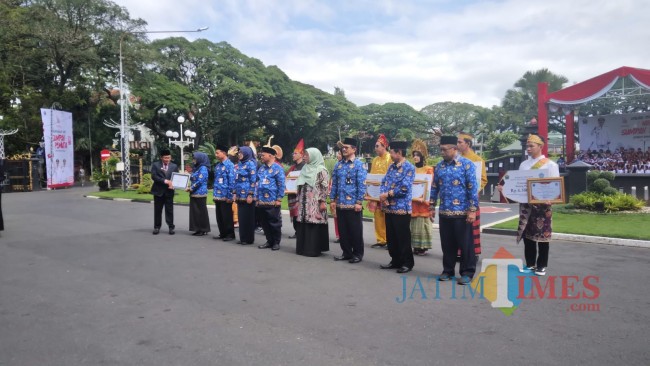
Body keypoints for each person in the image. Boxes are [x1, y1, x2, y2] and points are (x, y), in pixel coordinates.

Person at [430, 136, 479, 286]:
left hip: (462, 213)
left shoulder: (467, 165)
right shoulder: (439, 166)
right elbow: (434, 187)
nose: (442, 153)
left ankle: (467, 272)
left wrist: (472, 210)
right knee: (447, 244)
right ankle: (448, 270)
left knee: (465, 244)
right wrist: (431, 206)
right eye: (441, 150)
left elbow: (472, 189)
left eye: (445, 150)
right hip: (444, 211)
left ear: (454, 149)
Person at [515, 134, 560, 276]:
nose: (528, 149)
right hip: (526, 205)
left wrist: (551, 198)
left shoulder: (550, 164)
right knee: (527, 236)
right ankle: (530, 264)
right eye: (527, 146)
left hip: (542, 206)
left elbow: (555, 185)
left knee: (543, 236)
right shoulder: (523, 164)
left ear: (541, 147)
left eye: (531, 146)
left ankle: (542, 265)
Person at [378, 141, 415, 273]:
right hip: (389, 207)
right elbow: (384, 182)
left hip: (401, 208)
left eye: (392, 152)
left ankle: (407, 263)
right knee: (391, 236)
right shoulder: (391, 167)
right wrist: (383, 195)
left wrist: (387, 194)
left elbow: (404, 188)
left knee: (402, 237)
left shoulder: (409, 167)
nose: (390, 155)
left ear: (399, 152)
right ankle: (395, 260)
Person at [330, 137, 367, 263]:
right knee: (343, 231)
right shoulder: (338, 165)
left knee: (355, 231)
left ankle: (357, 254)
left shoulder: (359, 165)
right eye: (343, 147)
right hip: (340, 203)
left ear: (354, 149)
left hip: (353, 205)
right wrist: (332, 200)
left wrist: (359, 202)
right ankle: (346, 252)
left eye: (347, 147)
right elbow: (334, 183)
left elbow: (362, 184)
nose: (344, 149)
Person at [457, 131, 487, 261]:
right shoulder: (456, 159)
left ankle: (473, 252)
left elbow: (483, 180)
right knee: (459, 226)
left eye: (460, 142)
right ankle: (459, 251)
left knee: (472, 227)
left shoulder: (478, 160)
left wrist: (474, 192)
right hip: (457, 198)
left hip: (471, 199)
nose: (457, 145)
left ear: (468, 144)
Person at [295, 147, 330, 257]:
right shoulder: (305, 168)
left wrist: (323, 201)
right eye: (304, 155)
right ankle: (302, 248)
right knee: (304, 222)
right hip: (304, 201)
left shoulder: (321, 170)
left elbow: (324, 187)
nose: (304, 157)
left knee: (313, 223)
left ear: (314, 156)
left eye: (307, 155)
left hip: (315, 202)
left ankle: (312, 250)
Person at [256, 146, 285, 251]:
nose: (261, 157)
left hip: (273, 201)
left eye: (263, 155)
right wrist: (257, 198)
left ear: (270, 155)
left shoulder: (278, 168)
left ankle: (276, 242)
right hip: (262, 201)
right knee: (264, 223)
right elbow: (258, 184)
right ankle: (269, 241)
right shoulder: (262, 168)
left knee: (274, 222)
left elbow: (281, 184)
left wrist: (279, 199)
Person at [410, 139, 434, 256]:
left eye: (417, 155)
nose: (415, 157)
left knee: (422, 222)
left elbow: (429, 185)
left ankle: (423, 246)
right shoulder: (411, 169)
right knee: (414, 223)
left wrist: (426, 198)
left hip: (424, 201)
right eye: (414, 155)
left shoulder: (428, 169)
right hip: (413, 200)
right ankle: (415, 245)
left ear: (422, 156)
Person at [369, 134, 392, 249]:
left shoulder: (390, 158)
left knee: (387, 216)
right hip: (376, 192)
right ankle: (380, 239)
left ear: (384, 146)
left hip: (386, 193)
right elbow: (372, 176)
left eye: (378, 146)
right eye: (375, 146)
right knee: (378, 216)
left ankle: (389, 239)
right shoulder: (375, 160)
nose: (376, 148)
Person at [150, 149, 178, 235]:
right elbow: (154, 176)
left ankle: (171, 227)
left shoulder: (174, 166)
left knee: (169, 210)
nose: (167, 159)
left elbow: (176, 177)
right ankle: (157, 227)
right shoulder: (155, 165)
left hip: (169, 191)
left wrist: (175, 184)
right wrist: (165, 181)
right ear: (161, 158)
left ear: (171, 158)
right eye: (165, 158)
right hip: (158, 191)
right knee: (158, 210)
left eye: (168, 158)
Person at [212, 144, 236, 241]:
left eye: (218, 153)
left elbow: (232, 181)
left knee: (227, 216)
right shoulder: (218, 166)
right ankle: (222, 233)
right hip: (218, 194)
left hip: (226, 195)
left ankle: (230, 234)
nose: (216, 155)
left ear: (224, 153)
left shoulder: (229, 165)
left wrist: (230, 195)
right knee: (219, 216)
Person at [234, 146, 257, 245]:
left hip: (247, 194)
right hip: (239, 194)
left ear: (247, 153)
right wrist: (234, 193)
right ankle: (243, 238)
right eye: (238, 152)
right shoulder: (239, 164)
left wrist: (250, 194)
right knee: (241, 217)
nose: (239, 154)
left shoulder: (251, 164)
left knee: (248, 218)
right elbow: (236, 179)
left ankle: (249, 239)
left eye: (241, 152)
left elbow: (253, 180)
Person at [187, 152, 211, 236]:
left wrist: (191, 188)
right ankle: (197, 228)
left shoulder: (203, 168)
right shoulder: (196, 168)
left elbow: (200, 180)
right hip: (194, 192)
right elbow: (193, 178)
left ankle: (203, 229)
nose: (194, 160)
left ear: (200, 158)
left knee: (200, 212)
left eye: (195, 158)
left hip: (200, 193)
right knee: (195, 212)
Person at [287, 139, 305, 239]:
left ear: (301, 154)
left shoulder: (305, 167)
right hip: (291, 194)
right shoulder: (292, 167)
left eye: (295, 153)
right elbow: (287, 179)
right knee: (294, 215)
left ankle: (301, 231)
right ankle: (296, 231)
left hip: (300, 194)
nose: (293, 155)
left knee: (299, 214)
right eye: (293, 153)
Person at [228, 146, 240, 228]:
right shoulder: (232, 166)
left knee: (235, 205)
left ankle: (236, 221)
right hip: (232, 188)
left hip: (237, 188)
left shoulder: (238, 167)